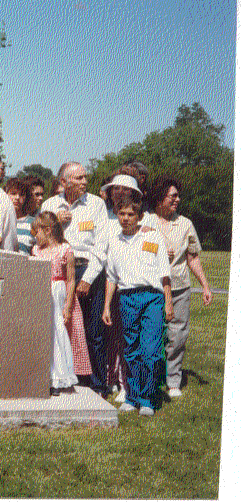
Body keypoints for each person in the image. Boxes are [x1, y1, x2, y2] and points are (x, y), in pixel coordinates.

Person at [41, 161, 109, 396]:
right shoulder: (50, 204)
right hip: (58, 271)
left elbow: (102, 246)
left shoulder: (96, 204)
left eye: (85, 177)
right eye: (78, 178)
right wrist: (55, 222)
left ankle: (98, 385)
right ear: (63, 182)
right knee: (60, 327)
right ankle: (62, 378)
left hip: (88, 269)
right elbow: (39, 238)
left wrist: (88, 278)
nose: (84, 182)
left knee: (93, 331)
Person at [102, 196, 174, 416]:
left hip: (152, 297)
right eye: (121, 214)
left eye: (130, 214)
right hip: (126, 298)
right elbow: (111, 277)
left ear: (139, 216)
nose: (125, 218)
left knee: (150, 350)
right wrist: (106, 306)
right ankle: (132, 397)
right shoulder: (114, 241)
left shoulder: (153, 237)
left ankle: (148, 399)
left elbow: (164, 272)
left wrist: (168, 302)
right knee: (130, 349)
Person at [143, 177, 213, 398]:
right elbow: (135, 249)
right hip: (152, 287)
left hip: (180, 287)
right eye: (173, 196)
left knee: (177, 336)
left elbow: (192, 258)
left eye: (177, 196)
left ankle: (173, 381)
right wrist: (157, 249)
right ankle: (151, 379)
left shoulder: (186, 224)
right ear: (160, 197)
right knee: (152, 335)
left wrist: (205, 286)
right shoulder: (145, 221)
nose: (177, 200)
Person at [98, 173, 145, 403]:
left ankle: (127, 383)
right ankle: (111, 378)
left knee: (127, 335)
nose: (119, 193)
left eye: (124, 190)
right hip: (107, 280)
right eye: (115, 189)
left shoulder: (142, 221)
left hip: (129, 285)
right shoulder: (105, 216)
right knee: (109, 334)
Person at [31, 213, 90, 396]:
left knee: (57, 333)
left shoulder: (65, 250)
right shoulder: (36, 251)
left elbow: (71, 280)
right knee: (43, 333)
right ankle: (41, 375)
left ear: (48, 230)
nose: (35, 237)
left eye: (37, 232)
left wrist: (68, 305)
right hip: (41, 292)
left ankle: (57, 377)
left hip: (57, 291)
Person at [5, 178, 35, 255]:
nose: (17, 197)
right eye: (13, 193)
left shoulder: (33, 223)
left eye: (21, 194)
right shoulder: (0, 220)